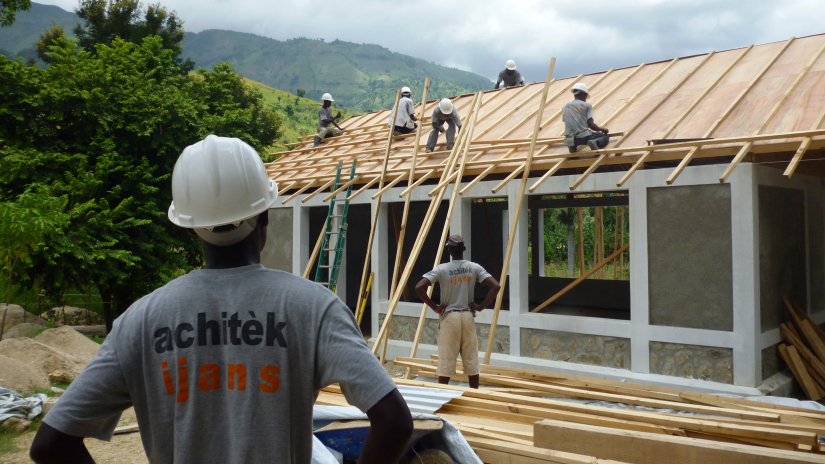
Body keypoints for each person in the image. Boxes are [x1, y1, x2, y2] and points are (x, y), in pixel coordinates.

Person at [30, 135, 413, 464]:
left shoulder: (141, 320)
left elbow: (50, 444)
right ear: (264, 215)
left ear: (190, 226)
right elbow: (394, 421)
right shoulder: (313, 308)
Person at [414, 235, 500, 389]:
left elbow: (419, 287)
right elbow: (496, 286)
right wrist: (480, 307)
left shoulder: (442, 269)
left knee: (446, 360)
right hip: (467, 316)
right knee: (471, 360)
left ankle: (442, 394)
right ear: (464, 249)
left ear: (449, 250)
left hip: (450, 317)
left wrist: (435, 307)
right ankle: (474, 395)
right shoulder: (474, 267)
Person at [562, 82, 610, 153]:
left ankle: (572, 146)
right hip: (583, 137)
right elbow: (591, 125)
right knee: (605, 137)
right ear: (583, 94)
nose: (585, 99)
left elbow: (568, 121)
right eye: (585, 96)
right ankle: (595, 142)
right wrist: (603, 129)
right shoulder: (586, 106)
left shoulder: (565, 107)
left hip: (570, 139)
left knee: (574, 136)